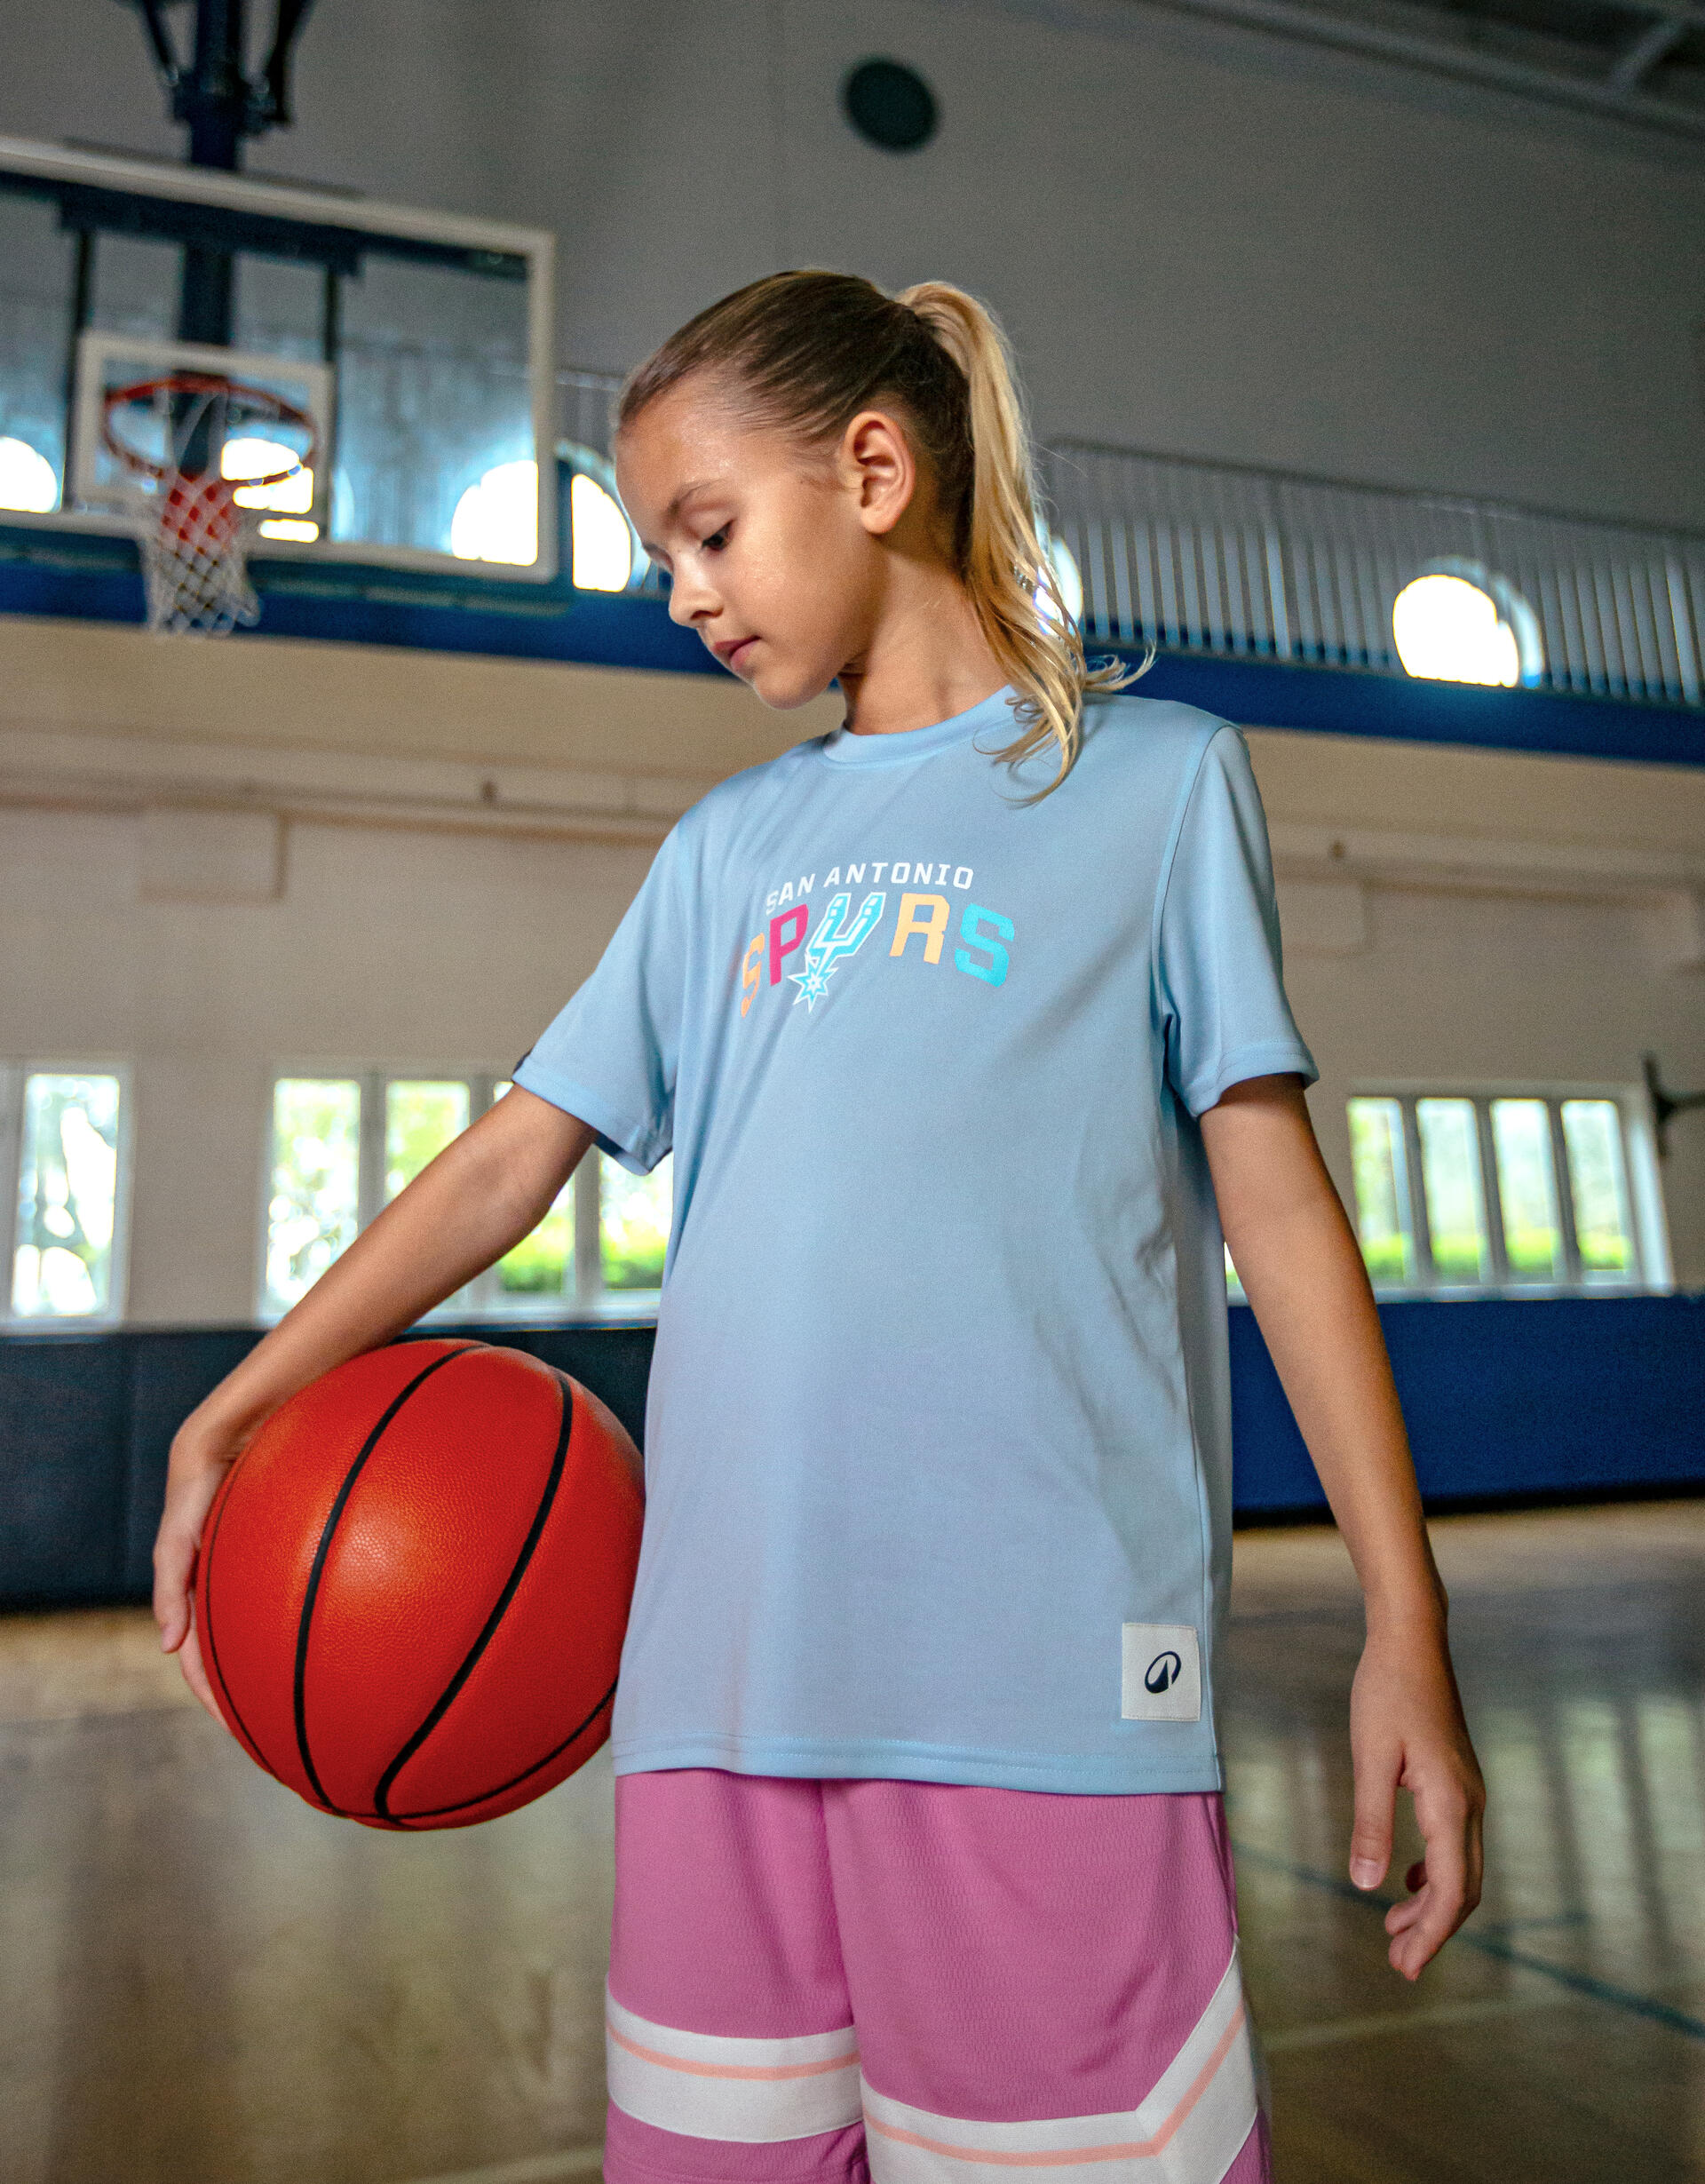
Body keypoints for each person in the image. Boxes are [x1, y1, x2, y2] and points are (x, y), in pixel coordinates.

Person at [155, 271, 1484, 2184]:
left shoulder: (1160, 782)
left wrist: (1405, 1618)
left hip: (1044, 1689)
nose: (682, 591)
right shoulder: (724, 854)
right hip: (718, 1693)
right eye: (657, 552)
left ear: (875, 467)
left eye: (709, 532)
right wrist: (239, 1402)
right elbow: (503, 1164)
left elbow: (1277, 1213)